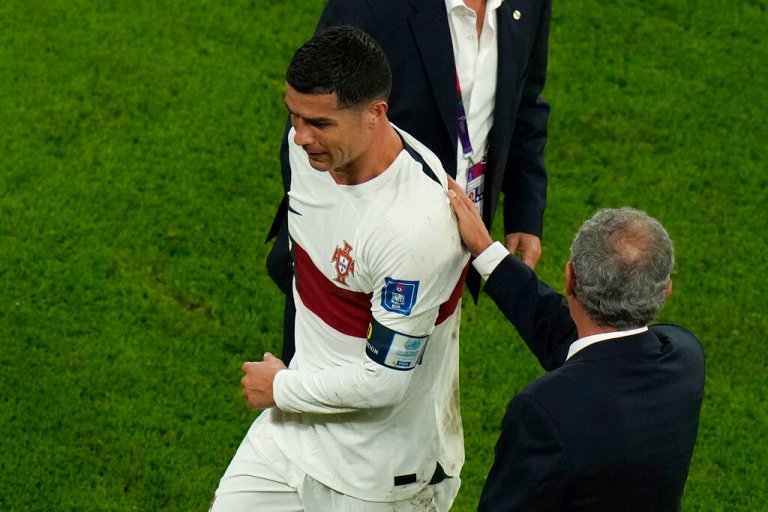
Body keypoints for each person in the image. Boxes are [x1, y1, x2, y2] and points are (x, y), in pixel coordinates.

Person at [211, 27, 469, 511]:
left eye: (319, 123)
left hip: (381, 475)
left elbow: (386, 381)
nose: (300, 136)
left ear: (375, 114)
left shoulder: (414, 226)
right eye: (293, 116)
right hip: (292, 435)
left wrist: (281, 387)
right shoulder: (307, 152)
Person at [266, 0, 551, 362]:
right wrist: (338, 259)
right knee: (331, 381)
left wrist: (525, 210)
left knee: (421, 377)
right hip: (352, 260)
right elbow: (314, 116)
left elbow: (525, 101)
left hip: (450, 243)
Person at [446, 181, 706, 511]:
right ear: (665, 291)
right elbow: (577, 339)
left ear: (569, 279)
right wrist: (487, 252)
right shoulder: (684, 356)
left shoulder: (544, 410)